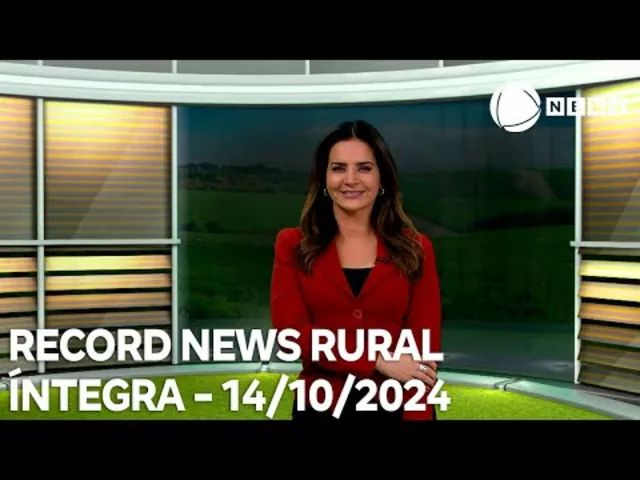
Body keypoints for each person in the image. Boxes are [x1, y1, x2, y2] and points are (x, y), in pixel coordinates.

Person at [270, 120, 442, 424]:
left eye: (364, 168)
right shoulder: (292, 244)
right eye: (338, 168)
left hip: (396, 406)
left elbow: (423, 350)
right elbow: (292, 334)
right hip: (320, 407)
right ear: (324, 179)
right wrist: (376, 360)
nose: (350, 179)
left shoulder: (416, 248)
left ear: (381, 177)